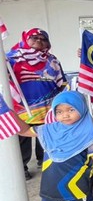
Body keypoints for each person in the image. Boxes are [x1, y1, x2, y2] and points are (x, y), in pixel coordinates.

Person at [7, 28, 67, 179]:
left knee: (45, 134)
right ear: (26, 39)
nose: (39, 40)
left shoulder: (52, 60)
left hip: (47, 105)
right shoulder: (11, 58)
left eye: (43, 38)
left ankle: (44, 160)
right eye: (34, 37)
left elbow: (61, 81)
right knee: (22, 136)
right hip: (22, 107)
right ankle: (22, 167)